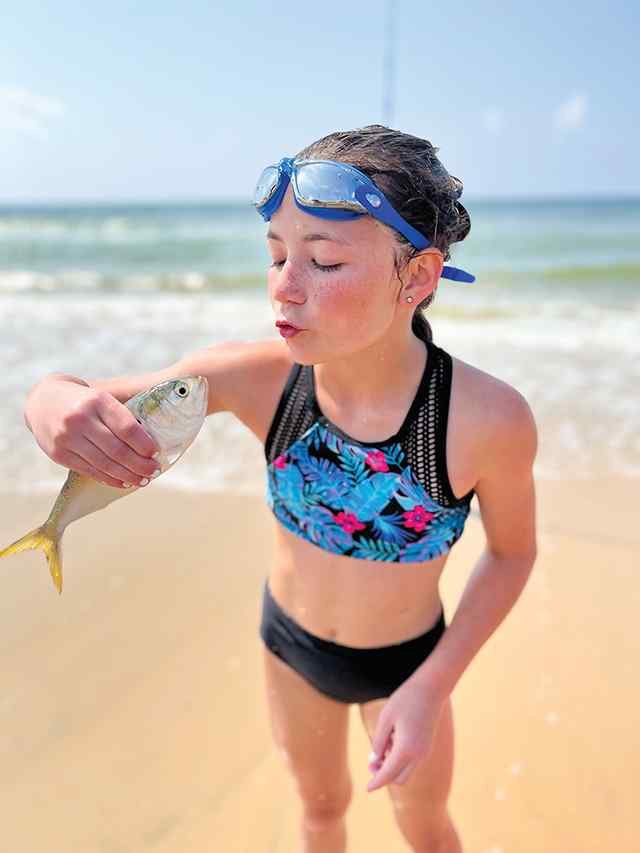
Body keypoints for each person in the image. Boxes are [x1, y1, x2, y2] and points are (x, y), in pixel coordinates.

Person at [23, 124, 538, 853]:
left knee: (424, 823)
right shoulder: (260, 379)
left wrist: (430, 687)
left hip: (411, 666)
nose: (284, 287)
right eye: (275, 254)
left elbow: (512, 555)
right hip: (288, 647)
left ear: (418, 277)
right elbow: (73, 390)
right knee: (320, 810)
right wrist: (47, 401)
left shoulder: (483, 419)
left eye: (323, 261)